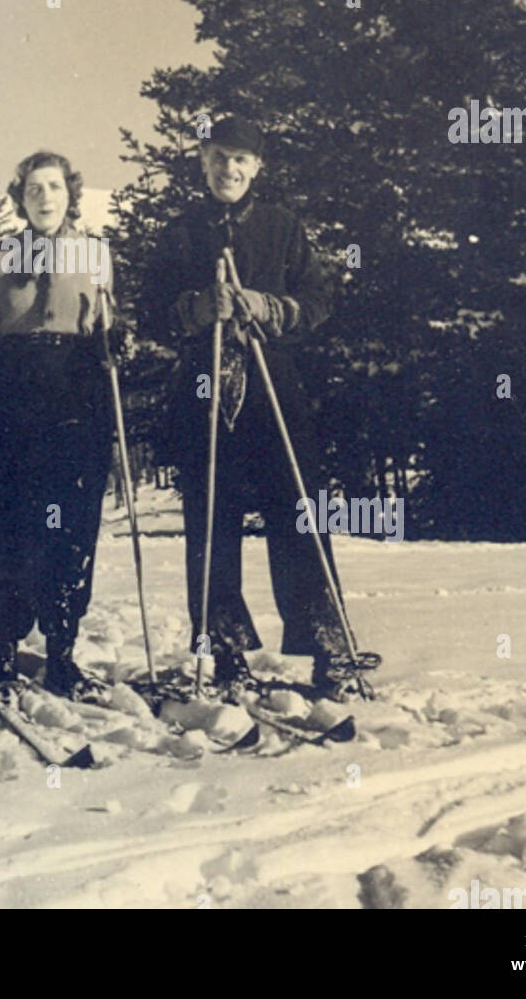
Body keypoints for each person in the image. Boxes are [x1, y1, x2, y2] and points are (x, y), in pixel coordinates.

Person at [140, 113, 372, 696]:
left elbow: (319, 300)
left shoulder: (281, 226)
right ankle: (224, 652)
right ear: (203, 162)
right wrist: (196, 309)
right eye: (219, 156)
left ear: (257, 167)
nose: (230, 168)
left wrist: (270, 308)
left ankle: (327, 646)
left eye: (241, 159)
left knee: (298, 511)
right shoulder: (181, 232)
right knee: (212, 520)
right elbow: (151, 311)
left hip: (274, 387)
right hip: (204, 390)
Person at [0, 150, 115, 700]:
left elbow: (108, 323)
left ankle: (61, 653)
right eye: (34, 189)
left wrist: (113, 338)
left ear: (69, 194)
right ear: (20, 197)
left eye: (54, 187)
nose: (45, 198)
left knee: (73, 523)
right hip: (15, 390)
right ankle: (4, 651)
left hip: (78, 391)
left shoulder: (95, 253)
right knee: (13, 522)